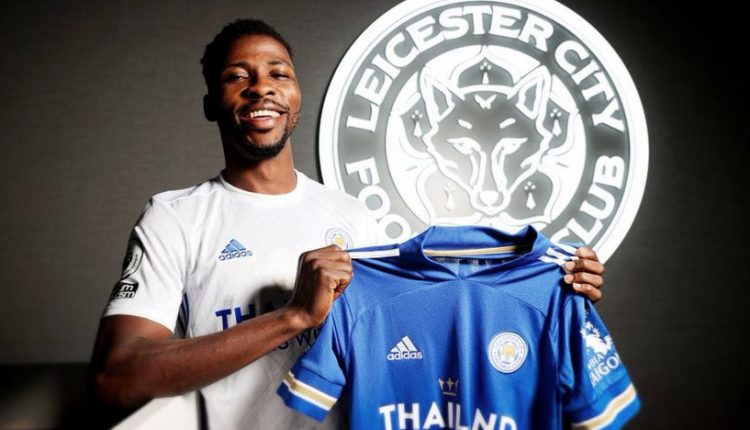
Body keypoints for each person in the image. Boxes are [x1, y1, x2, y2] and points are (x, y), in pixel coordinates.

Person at [90, 19, 605, 429]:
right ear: (211, 104)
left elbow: (418, 342)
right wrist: (292, 316)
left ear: (297, 95)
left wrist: (550, 290)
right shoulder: (175, 216)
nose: (260, 88)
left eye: (278, 74)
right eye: (237, 77)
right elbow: (117, 379)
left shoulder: (353, 217)